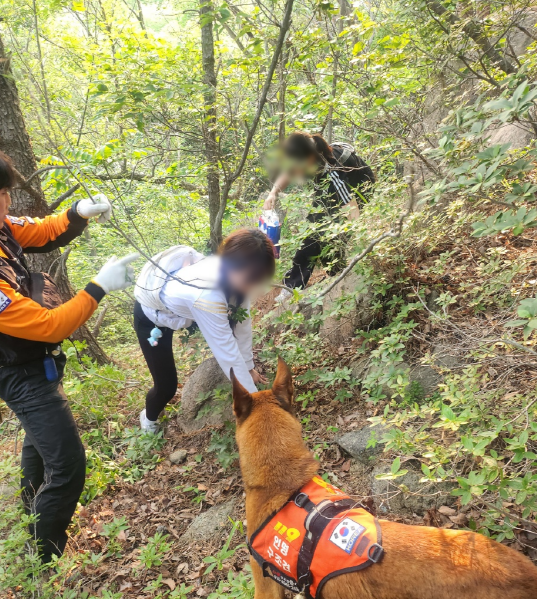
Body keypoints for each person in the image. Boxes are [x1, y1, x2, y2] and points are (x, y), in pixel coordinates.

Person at [0, 140, 135, 562]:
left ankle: (30, 508)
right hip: (15, 372)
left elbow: (41, 231)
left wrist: (78, 211)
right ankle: (44, 555)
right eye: (1, 192)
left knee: (39, 441)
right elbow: (50, 325)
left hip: (29, 359)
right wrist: (98, 286)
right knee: (68, 465)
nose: (8, 202)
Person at [133, 229, 275, 433]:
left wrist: (250, 366)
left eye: (258, 278)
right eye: (250, 278)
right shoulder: (206, 294)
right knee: (167, 386)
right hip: (151, 318)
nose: (252, 284)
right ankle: (148, 420)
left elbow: (243, 325)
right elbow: (227, 353)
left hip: (183, 311)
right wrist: (256, 408)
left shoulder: (238, 281)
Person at [264, 132, 375, 297]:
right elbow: (288, 172)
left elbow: (352, 209)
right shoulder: (304, 154)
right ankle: (313, 280)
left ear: (308, 160)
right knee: (315, 229)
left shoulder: (332, 172)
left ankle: (336, 275)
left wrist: (362, 243)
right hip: (330, 189)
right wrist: (273, 193)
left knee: (320, 233)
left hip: (358, 189)